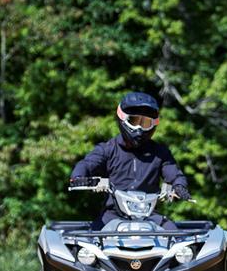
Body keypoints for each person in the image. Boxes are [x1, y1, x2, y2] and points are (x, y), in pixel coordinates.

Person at [69, 91, 191, 229]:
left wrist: (179, 186)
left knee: (174, 235)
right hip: (112, 215)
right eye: (134, 121)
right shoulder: (108, 149)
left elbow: (175, 174)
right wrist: (78, 177)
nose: (139, 127)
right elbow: (87, 164)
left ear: (154, 124)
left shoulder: (160, 153)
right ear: (122, 118)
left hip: (149, 216)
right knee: (91, 239)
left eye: (145, 123)